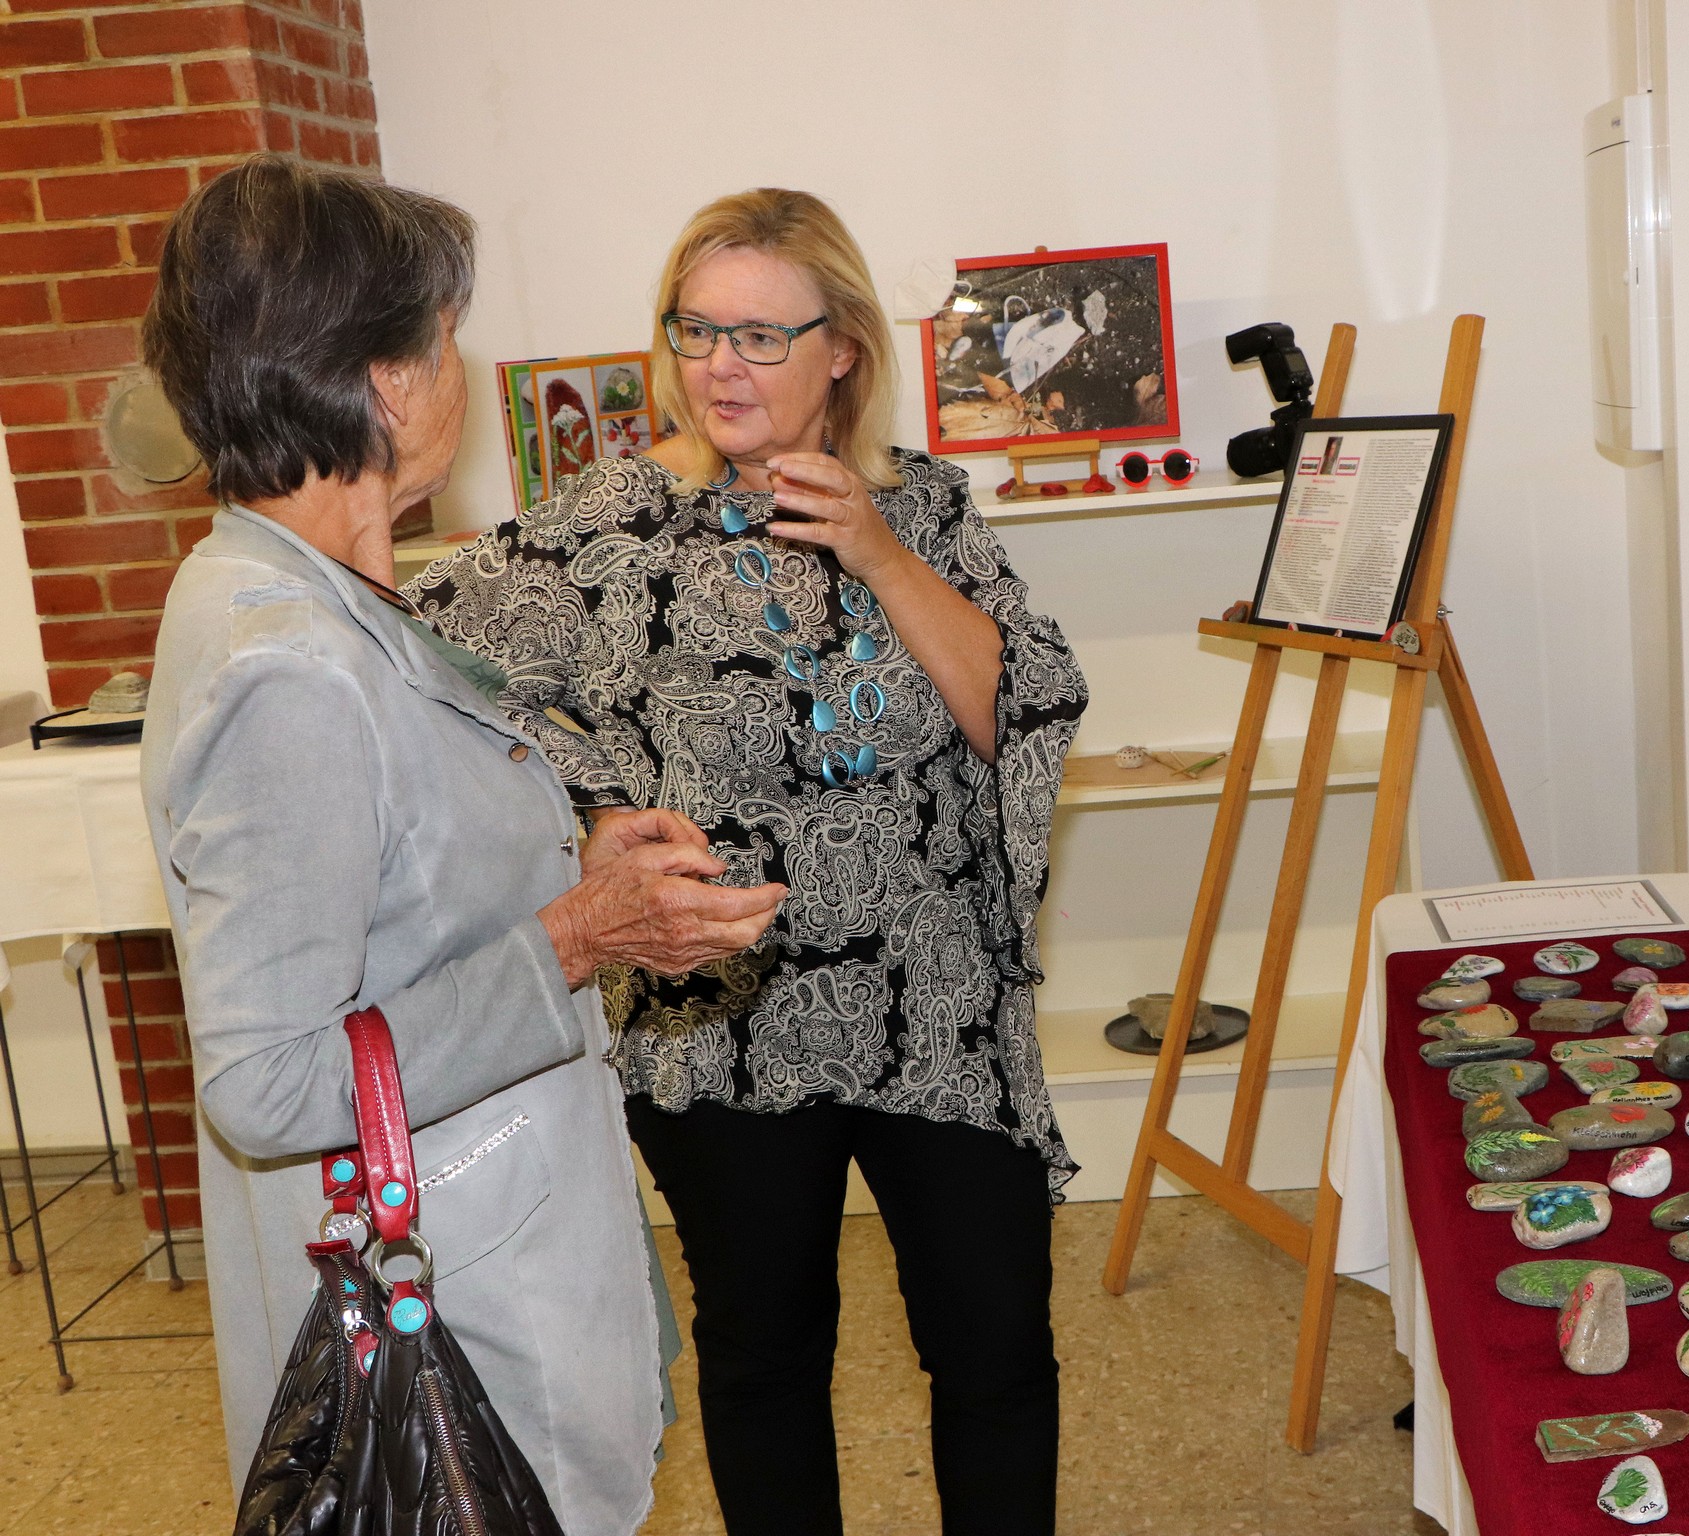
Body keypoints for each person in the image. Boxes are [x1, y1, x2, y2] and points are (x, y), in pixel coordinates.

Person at [411, 188, 1088, 1535]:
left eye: (762, 336)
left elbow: (1024, 705)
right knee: (764, 1356)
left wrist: (878, 551)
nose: (722, 365)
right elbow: (428, 670)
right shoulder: (611, 522)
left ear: (842, 349)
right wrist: (588, 818)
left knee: (996, 1347)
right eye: (698, 329)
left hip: (938, 1007)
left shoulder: (926, 507)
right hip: (720, 1020)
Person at [137, 156, 786, 1536]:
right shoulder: (286, 664)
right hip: (453, 1302)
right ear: (384, 382)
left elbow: (392, 879)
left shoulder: (315, 587)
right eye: (444, 338)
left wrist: (571, 857)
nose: (459, 370)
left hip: (483, 1236)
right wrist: (580, 937)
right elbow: (268, 1078)